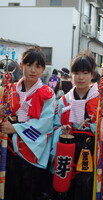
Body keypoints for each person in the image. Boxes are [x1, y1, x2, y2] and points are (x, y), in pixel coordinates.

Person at [50, 51, 103, 200]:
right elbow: (54, 126)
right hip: (68, 154)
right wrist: (62, 131)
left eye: (85, 72)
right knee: (65, 192)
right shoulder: (64, 100)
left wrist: (97, 128)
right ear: (71, 74)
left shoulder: (101, 100)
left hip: (93, 154)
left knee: (88, 192)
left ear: (92, 74)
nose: (80, 77)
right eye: (76, 73)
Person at [0, 47, 55, 200]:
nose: (33, 70)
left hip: (33, 151)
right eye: (29, 65)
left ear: (43, 69)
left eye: (38, 66)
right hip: (9, 148)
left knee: (30, 192)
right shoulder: (9, 89)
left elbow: (45, 124)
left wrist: (15, 128)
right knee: (9, 189)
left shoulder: (47, 93)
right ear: (21, 65)